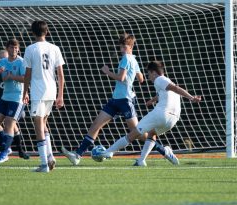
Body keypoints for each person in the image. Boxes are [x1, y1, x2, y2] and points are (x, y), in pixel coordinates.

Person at [62, 33, 177, 166]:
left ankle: (164, 151)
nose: (121, 50)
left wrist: (107, 71)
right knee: (96, 125)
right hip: (115, 100)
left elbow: (121, 78)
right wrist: (131, 75)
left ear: (131, 46)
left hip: (126, 101)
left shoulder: (126, 59)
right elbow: (141, 79)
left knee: (137, 133)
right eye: (120, 47)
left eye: (124, 47)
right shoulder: (133, 60)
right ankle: (78, 154)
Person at [99, 61, 201, 166]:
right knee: (152, 134)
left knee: (133, 134)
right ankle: (143, 160)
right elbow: (167, 91)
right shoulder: (166, 81)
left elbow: (176, 88)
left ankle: (107, 152)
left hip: (162, 114)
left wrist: (191, 98)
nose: (148, 77)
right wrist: (152, 101)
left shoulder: (159, 79)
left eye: (148, 74)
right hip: (173, 119)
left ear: (153, 72)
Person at [23, 21, 65, 173]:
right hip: (51, 91)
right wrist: (60, 95)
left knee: (38, 125)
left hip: (38, 91)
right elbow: (60, 74)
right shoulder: (55, 48)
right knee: (43, 123)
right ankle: (50, 157)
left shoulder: (30, 49)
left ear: (32, 33)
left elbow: (27, 74)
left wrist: (25, 92)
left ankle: (43, 164)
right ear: (46, 32)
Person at [0, 39, 26, 163]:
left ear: (18, 49)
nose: (14, 50)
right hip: (4, 97)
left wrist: (11, 77)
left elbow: (26, 79)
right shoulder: (2, 62)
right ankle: (7, 147)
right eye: (11, 47)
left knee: (10, 124)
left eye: (16, 48)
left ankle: (4, 153)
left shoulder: (21, 62)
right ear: (7, 49)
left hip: (17, 98)